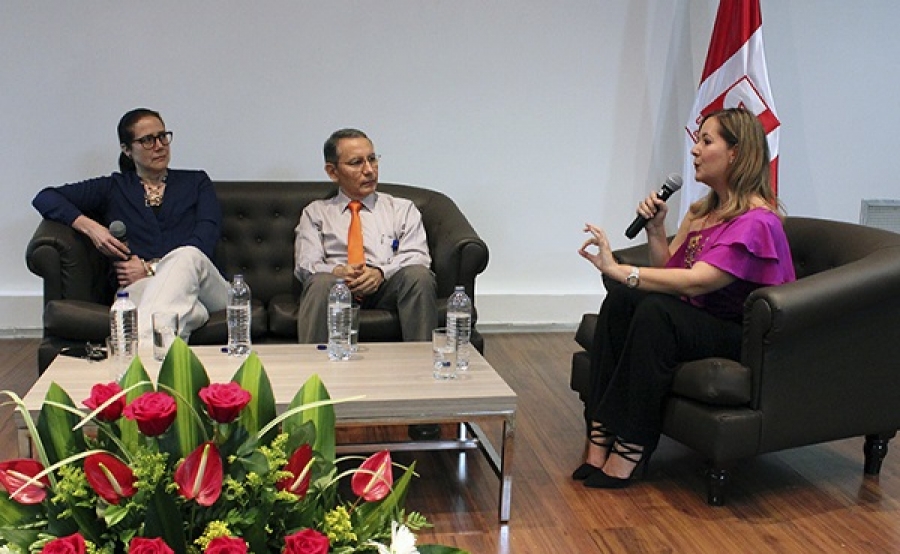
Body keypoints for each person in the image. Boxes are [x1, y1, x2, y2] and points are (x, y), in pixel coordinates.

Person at [574, 107, 796, 489]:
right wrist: (656, 230)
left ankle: (632, 446)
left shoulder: (758, 221)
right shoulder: (701, 212)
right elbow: (670, 268)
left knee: (656, 311)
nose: (695, 150)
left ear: (735, 154)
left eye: (707, 141)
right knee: (623, 301)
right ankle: (599, 436)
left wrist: (621, 271)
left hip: (738, 334)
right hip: (696, 319)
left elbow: (695, 283)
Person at [32, 108, 228, 343]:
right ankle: (160, 356)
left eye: (162, 136)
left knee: (188, 255)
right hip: (145, 289)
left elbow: (205, 239)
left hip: (207, 288)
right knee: (190, 312)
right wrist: (91, 227)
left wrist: (150, 268)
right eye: (147, 140)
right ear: (126, 149)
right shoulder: (113, 188)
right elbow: (45, 197)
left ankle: (139, 355)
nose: (159, 146)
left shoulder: (196, 182)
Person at [293, 128, 437, 343]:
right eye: (356, 163)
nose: (369, 170)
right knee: (321, 282)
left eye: (372, 159)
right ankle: (315, 363)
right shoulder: (316, 212)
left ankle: (422, 361)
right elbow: (305, 264)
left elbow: (418, 255)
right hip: (337, 289)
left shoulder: (401, 209)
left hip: (387, 288)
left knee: (419, 276)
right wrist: (337, 271)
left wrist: (380, 273)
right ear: (333, 172)